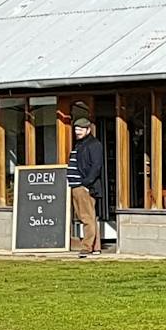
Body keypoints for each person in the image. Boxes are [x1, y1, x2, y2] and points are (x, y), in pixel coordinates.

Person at [66, 108, 109, 258]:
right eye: (76, 129)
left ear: (88, 129)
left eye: (81, 129)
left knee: (87, 218)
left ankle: (86, 247)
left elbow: (96, 166)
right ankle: (95, 247)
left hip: (83, 187)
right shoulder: (80, 144)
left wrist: (86, 183)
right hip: (76, 186)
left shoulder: (93, 144)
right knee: (87, 216)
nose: (77, 131)